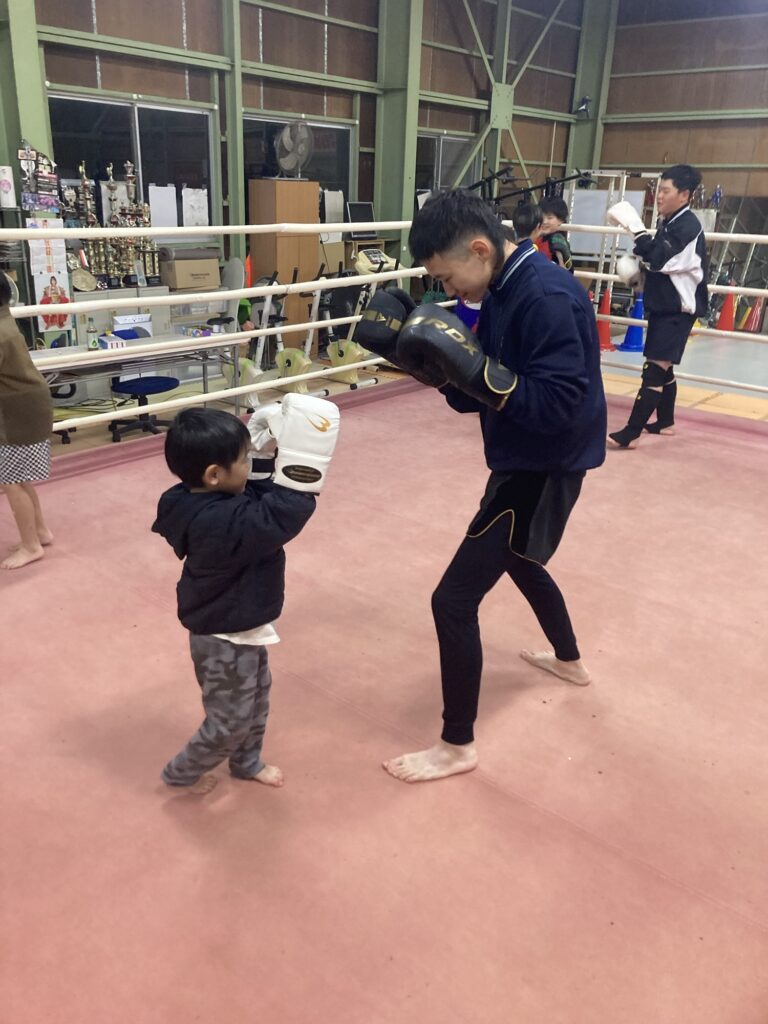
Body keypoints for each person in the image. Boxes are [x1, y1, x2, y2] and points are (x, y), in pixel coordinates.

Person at [354, 189, 606, 783]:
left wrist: (473, 371)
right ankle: (570, 662)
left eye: (447, 277)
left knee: (453, 600)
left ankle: (456, 745)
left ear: (479, 248)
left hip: (542, 465)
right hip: (524, 454)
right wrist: (425, 366)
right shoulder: (501, 289)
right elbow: (484, 393)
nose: (447, 291)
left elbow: (559, 405)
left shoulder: (544, 296)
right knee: (520, 561)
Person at [152, 395, 340, 795]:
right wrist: (305, 459)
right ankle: (181, 774)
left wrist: (262, 454)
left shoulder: (195, 498)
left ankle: (246, 762)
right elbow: (276, 515)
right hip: (222, 635)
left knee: (255, 702)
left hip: (240, 623)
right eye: (244, 459)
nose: (249, 462)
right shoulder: (217, 523)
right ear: (215, 475)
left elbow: (252, 496)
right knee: (229, 721)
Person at [606, 164, 708, 448]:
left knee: (654, 369)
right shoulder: (672, 221)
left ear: (684, 195)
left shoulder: (687, 227)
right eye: (659, 190)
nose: (659, 196)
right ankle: (665, 422)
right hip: (667, 305)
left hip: (678, 310)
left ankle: (631, 433)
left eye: (665, 191)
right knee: (665, 367)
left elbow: (660, 258)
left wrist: (635, 228)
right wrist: (639, 278)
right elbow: (660, 265)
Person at [0, 271, 54, 570]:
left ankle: (31, 545)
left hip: (15, 412)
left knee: (10, 482)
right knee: (19, 478)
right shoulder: (5, 319)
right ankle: (40, 532)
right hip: (26, 406)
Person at [538, 196, 573, 271]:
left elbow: (565, 272)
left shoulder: (558, 241)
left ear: (561, 220)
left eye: (549, 217)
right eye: (541, 217)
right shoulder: (535, 236)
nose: (544, 221)